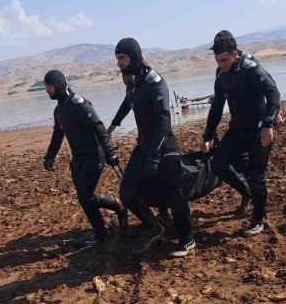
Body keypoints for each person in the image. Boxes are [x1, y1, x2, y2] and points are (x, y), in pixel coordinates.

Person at [107, 38, 195, 258]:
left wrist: (155, 157)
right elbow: (128, 102)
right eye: (117, 58)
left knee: (174, 195)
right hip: (144, 147)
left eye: (122, 58)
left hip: (164, 148)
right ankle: (153, 226)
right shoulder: (133, 83)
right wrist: (113, 125)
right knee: (127, 192)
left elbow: (164, 122)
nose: (118, 63)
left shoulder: (155, 83)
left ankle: (188, 239)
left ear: (134, 57)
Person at [202, 30, 281, 235]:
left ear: (235, 54)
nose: (221, 64)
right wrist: (208, 135)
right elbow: (217, 106)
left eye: (225, 60)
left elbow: (273, 92)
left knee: (256, 174)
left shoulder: (250, 68)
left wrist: (268, 124)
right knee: (217, 163)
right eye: (217, 60)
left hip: (258, 129)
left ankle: (258, 219)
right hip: (237, 128)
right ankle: (246, 192)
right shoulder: (220, 74)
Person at [42, 70, 127, 247]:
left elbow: (99, 128)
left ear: (57, 84)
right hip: (78, 159)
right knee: (84, 197)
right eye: (45, 87)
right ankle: (105, 224)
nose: (47, 90)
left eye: (49, 86)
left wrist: (110, 152)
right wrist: (50, 156)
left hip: (94, 156)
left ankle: (108, 221)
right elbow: (58, 135)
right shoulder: (59, 110)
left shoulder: (80, 104)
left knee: (85, 195)